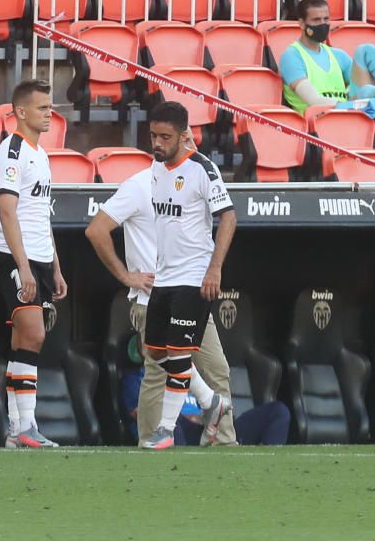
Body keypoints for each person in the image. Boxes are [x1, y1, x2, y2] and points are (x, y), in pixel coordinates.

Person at [85, 135, 237, 447]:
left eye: (191, 138)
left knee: (214, 367)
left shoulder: (200, 177)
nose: (191, 144)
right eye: (182, 139)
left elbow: (225, 219)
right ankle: (151, 444)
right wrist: (127, 276)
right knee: (157, 371)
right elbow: (96, 229)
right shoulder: (140, 184)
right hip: (151, 297)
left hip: (190, 292)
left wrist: (211, 269)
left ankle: (222, 443)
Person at [139, 101, 237, 451]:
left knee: (179, 355)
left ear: (184, 136)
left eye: (165, 137)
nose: (157, 143)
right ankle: (211, 401)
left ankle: (164, 431)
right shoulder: (155, 168)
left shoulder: (201, 169)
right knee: (157, 352)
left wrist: (214, 268)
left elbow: (228, 217)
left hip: (194, 276)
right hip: (164, 277)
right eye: (153, 136)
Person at [0, 79, 67, 448]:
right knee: (33, 334)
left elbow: (41, 215)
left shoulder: (42, 155)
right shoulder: (13, 151)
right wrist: (22, 266)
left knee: (24, 339)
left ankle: (16, 429)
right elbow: (8, 211)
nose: (49, 113)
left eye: (50, 107)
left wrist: (55, 266)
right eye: (42, 107)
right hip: (13, 254)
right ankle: (26, 426)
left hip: (39, 256)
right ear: (20, 112)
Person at [119, 359, 290, 446]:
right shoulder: (136, 378)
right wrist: (182, 417)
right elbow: (141, 414)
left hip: (208, 427)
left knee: (278, 411)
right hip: (178, 430)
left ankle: (268, 468)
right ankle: (182, 472)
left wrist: (205, 417)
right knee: (170, 423)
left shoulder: (192, 372)